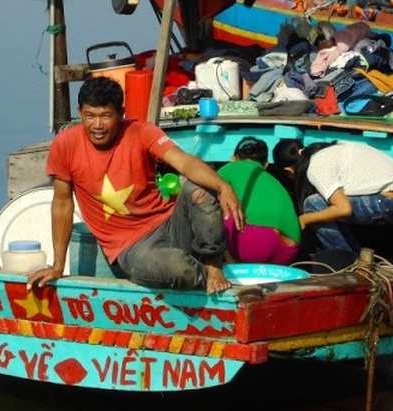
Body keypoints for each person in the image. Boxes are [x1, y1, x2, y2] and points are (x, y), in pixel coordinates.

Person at [27, 76, 244, 294]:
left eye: (106, 116)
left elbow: (184, 161)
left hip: (168, 224)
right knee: (181, 270)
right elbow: (63, 204)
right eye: (89, 116)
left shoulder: (142, 132)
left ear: (121, 114)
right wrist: (57, 265)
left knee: (201, 191)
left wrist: (223, 186)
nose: (98, 125)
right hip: (132, 246)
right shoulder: (65, 145)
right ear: (80, 112)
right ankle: (202, 275)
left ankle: (213, 266)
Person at [271, 139, 393, 253]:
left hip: (390, 202)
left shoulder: (316, 168)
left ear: (288, 171)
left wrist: (304, 219)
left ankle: (348, 262)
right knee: (324, 203)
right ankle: (354, 256)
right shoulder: (328, 150)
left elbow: (344, 209)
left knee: (313, 204)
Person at [216, 136, 301, 264]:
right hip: (289, 249)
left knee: (216, 198)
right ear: (266, 165)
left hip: (256, 246)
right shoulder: (274, 181)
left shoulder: (230, 167)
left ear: (233, 159)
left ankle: (226, 263)